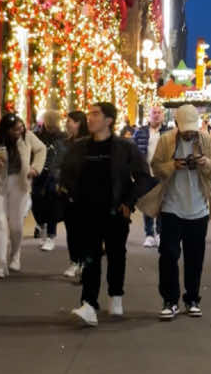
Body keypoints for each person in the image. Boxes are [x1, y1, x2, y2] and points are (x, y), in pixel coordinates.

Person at [60, 102, 153, 326]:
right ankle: (89, 303)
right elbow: (66, 172)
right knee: (90, 258)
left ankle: (116, 295)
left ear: (109, 120)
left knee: (115, 254)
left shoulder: (124, 147)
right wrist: (69, 195)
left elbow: (143, 176)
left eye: (95, 114)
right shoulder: (80, 147)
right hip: (87, 212)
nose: (90, 118)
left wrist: (129, 202)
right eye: (89, 114)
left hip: (114, 211)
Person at [148, 104, 211, 319]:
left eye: (193, 128)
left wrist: (204, 163)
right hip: (171, 207)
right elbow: (156, 167)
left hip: (199, 209)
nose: (190, 133)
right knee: (168, 255)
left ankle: (192, 298)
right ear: (177, 125)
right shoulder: (166, 141)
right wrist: (173, 165)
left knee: (195, 257)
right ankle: (170, 300)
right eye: (186, 129)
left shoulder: (206, 140)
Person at [0, 112, 46, 278]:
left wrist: (35, 168)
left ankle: (15, 255)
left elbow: (41, 149)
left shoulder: (28, 137)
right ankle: (1, 264)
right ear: (6, 130)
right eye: (15, 130)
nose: (19, 131)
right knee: (0, 222)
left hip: (20, 183)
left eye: (21, 128)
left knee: (16, 224)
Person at [133, 105, 170, 246]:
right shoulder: (141, 132)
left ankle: (160, 233)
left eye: (159, 112)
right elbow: (134, 151)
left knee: (161, 205)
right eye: (154, 112)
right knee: (148, 205)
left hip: (162, 174)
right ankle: (149, 234)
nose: (156, 115)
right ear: (149, 115)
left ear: (163, 115)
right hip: (145, 174)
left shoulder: (168, 132)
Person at [30, 110, 67, 251]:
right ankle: (41, 223)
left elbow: (64, 155)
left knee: (52, 202)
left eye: (53, 123)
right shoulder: (36, 135)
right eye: (48, 122)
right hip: (38, 172)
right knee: (36, 201)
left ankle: (51, 236)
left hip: (55, 175)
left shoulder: (63, 137)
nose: (51, 126)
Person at [60, 110, 89, 280]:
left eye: (70, 121)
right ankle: (74, 260)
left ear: (79, 123)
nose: (67, 124)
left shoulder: (89, 143)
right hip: (67, 191)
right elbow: (61, 165)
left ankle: (84, 261)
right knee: (71, 228)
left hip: (85, 192)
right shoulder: (66, 143)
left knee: (84, 228)